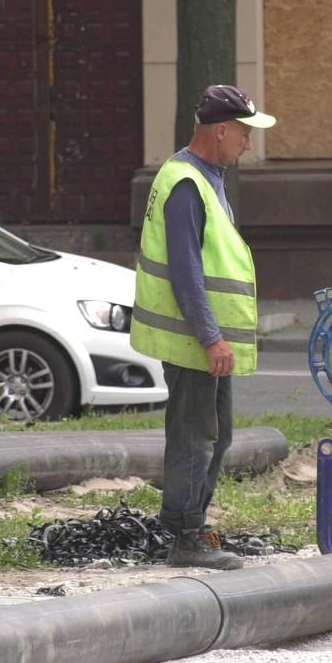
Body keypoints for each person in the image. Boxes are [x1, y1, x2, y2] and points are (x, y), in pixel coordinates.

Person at [130, 84, 275, 570]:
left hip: (204, 339)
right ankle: (184, 536)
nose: (248, 145)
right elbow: (186, 269)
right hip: (194, 340)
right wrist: (211, 336)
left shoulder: (205, 177)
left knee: (217, 436)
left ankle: (188, 525)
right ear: (220, 130)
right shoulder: (187, 183)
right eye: (244, 134)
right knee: (196, 436)